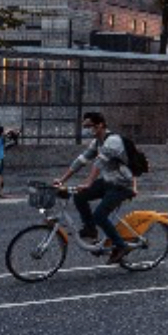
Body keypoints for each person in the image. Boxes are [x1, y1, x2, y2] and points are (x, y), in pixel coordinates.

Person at [55, 112, 137, 264]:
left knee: (100, 215)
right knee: (80, 196)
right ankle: (90, 229)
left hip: (122, 185)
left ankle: (121, 246)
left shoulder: (113, 141)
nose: (86, 130)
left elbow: (99, 163)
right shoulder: (97, 141)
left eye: (89, 126)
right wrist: (61, 180)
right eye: (85, 127)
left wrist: (88, 182)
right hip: (108, 181)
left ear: (100, 125)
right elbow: (81, 160)